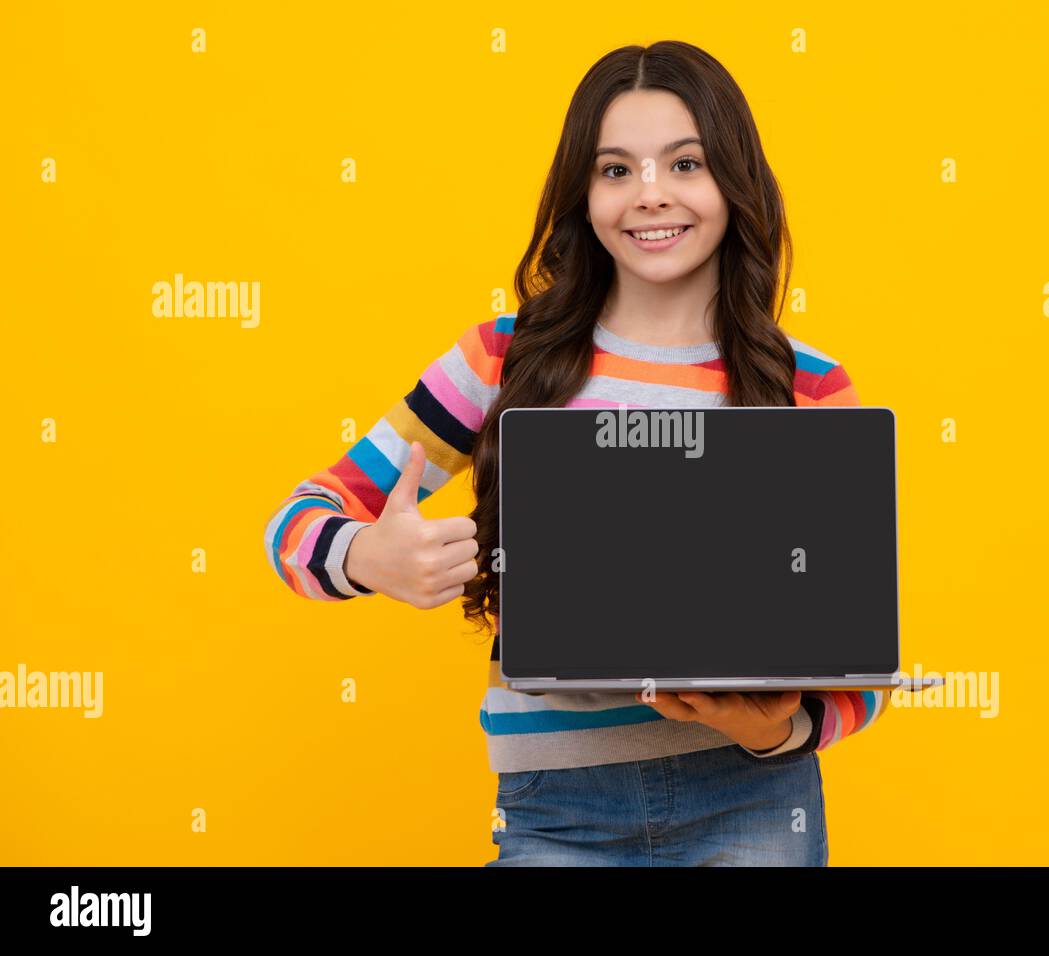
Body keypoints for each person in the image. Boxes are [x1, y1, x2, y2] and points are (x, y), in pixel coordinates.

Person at [263, 40, 888, 866]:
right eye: (616, 169)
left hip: (756, 807)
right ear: (582, 194)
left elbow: (862, 665)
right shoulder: (502, 357)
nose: (651, 195)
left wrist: (779, 730)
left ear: (735, 181)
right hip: (553, 819)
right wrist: (369, 555)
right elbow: (292, 530)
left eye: (686, 163)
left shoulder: (806, 383)